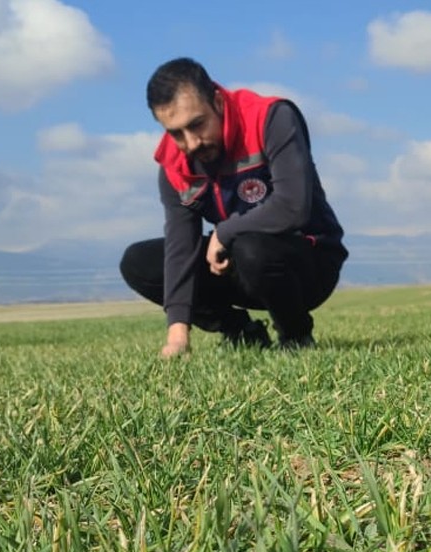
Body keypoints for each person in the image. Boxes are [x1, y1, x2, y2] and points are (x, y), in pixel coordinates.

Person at [119, 57, 348, 357]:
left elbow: (293, 206)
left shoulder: (271, 118)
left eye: (197, 124)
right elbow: (180, 247)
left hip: (307, 265)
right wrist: (177, 334)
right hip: (238, 265)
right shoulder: (173, 163)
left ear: (217, 101)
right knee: (139, 262)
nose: (191, 143)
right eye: (176, 133)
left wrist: (224, 233)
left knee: (250, 246)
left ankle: (295, 337)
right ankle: (241, 332)